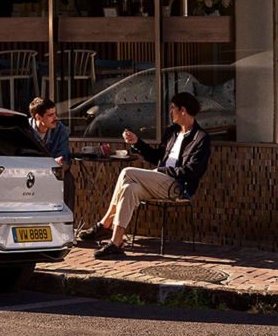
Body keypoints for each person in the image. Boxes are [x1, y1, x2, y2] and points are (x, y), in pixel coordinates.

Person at [78, 92, 211, 259]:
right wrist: (137, 142)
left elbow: (193, 172)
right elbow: (157, 158)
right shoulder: (172, 132)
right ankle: (116, 243)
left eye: (173, 109)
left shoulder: (201, 139)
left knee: (127, 172)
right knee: (129, 188)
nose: (171, 112)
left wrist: (162, 171)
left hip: (178, 186)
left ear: (183, 110)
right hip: (159, 182)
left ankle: (105, 224)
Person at [28, 97, 75, 211]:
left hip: (51, 172)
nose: (56, 118)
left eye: (55, 113)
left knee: (68, 178)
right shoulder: (25, 129)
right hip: (27, 171)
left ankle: (66, 219)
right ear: (38, 117)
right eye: (50, 115)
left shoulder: (60, 130)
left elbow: (64, 158)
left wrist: (61, 164)